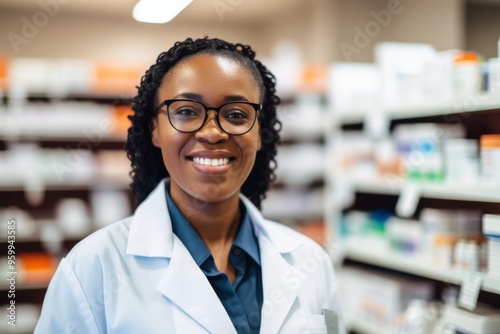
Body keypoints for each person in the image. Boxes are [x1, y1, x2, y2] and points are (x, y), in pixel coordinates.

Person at [35, 37, 345, 334]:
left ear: (260, 132)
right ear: (155, 129)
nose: (212, 133)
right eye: (186, 111)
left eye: (236, 114)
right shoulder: (93, 267)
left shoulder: (311, 261)